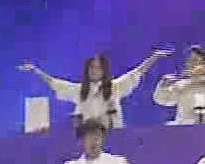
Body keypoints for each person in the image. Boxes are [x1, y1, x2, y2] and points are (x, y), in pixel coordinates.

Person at [19, 49, 169, 130]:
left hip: (114, 135)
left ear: (104, 70)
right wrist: (35, 70)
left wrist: (153, 58)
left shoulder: (115, 87)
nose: (94, 71)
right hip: (89, 137)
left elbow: (136, 73)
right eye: (91, 67)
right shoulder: (80, 90)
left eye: (98, 68)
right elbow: (54, 83)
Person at [150, 46, 205, 125]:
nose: (191, 64)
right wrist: (163, 86)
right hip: (186, 128)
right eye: (188, 61)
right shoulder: (181, 84)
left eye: (195, 60)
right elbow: (163, 100)